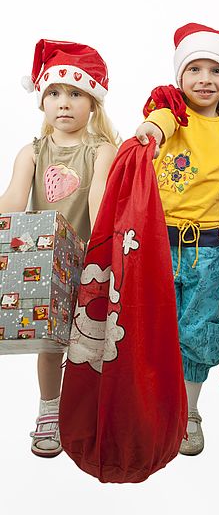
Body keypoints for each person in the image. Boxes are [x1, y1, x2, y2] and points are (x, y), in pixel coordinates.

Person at [135, 23, 219, 456]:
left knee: (198, 327)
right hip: (156, 243)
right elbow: (159, 123)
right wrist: (154, 128)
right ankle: (150, 403)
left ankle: (190, 410)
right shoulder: (168, 113)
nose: (205, 79)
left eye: (216, 71)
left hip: (206, 247)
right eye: (195, 69)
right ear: (181, 76)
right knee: (151, 323)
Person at [0, 39, 119, 457]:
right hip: (43, 260)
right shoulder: (31, 152)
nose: (63, 103)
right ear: (41, 101)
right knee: (51, 344)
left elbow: (98, 201)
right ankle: (49, 411)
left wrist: (96, 247)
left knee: (88, 342)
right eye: (53, 93)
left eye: (75, 93)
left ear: (93, 104)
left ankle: (86, 412)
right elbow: (14, 200)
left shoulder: (101, 150)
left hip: (88, 259)